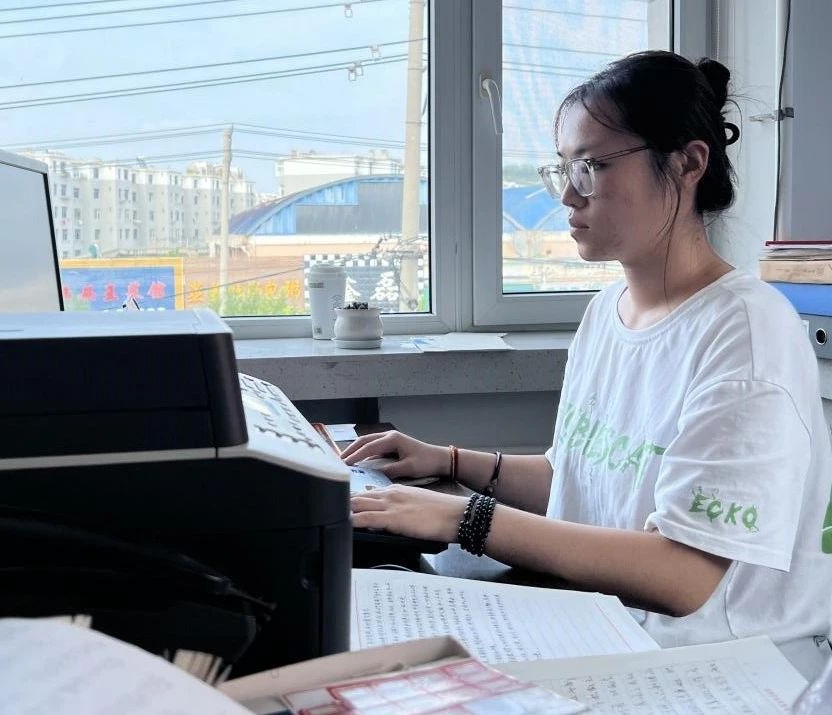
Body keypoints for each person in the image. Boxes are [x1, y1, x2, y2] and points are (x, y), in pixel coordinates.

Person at [344, 50, 832, 678]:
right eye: (564, 169)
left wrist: (465, 517)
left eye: (592, 167)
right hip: (605, 624)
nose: (568, 195)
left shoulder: (745, 335)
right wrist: (450, 461)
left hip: (723, 665)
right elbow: (578, 480)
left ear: (688, 164)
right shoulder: (608, 310)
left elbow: (684, 575)